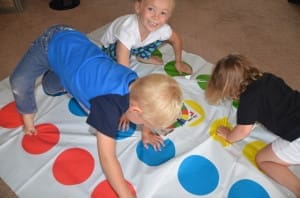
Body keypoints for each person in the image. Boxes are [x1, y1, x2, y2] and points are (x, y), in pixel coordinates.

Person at [9, 25, 183, 198]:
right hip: (52, 43)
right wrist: (125, 195)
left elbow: (142, 109)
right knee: (19, 81)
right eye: (146, 125)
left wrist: (146, 133)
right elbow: (108, 159)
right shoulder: (106, 108)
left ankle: (59, 75)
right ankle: (28, 115)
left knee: (50, 86)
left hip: (75, 57)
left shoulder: (137, 85)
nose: (146, 127)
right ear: (135, 110)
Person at [205, 54, 300, 197]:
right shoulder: (268, 77)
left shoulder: (248, 98)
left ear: (230, 88)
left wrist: (228, 135)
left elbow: (242, 131)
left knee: (263, 159)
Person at [100, 0, 192, 74]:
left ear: (169, 16)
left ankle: (142, 56)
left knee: (161, 36)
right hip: (112, 46)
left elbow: (176, 40)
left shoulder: (162, 28)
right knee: (111, 68)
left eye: (163, 13)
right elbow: (124, 69)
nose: (156, 17)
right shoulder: (128, 31)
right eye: (151, 9)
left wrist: (178, 62)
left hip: (135, 45)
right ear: (138, 7)